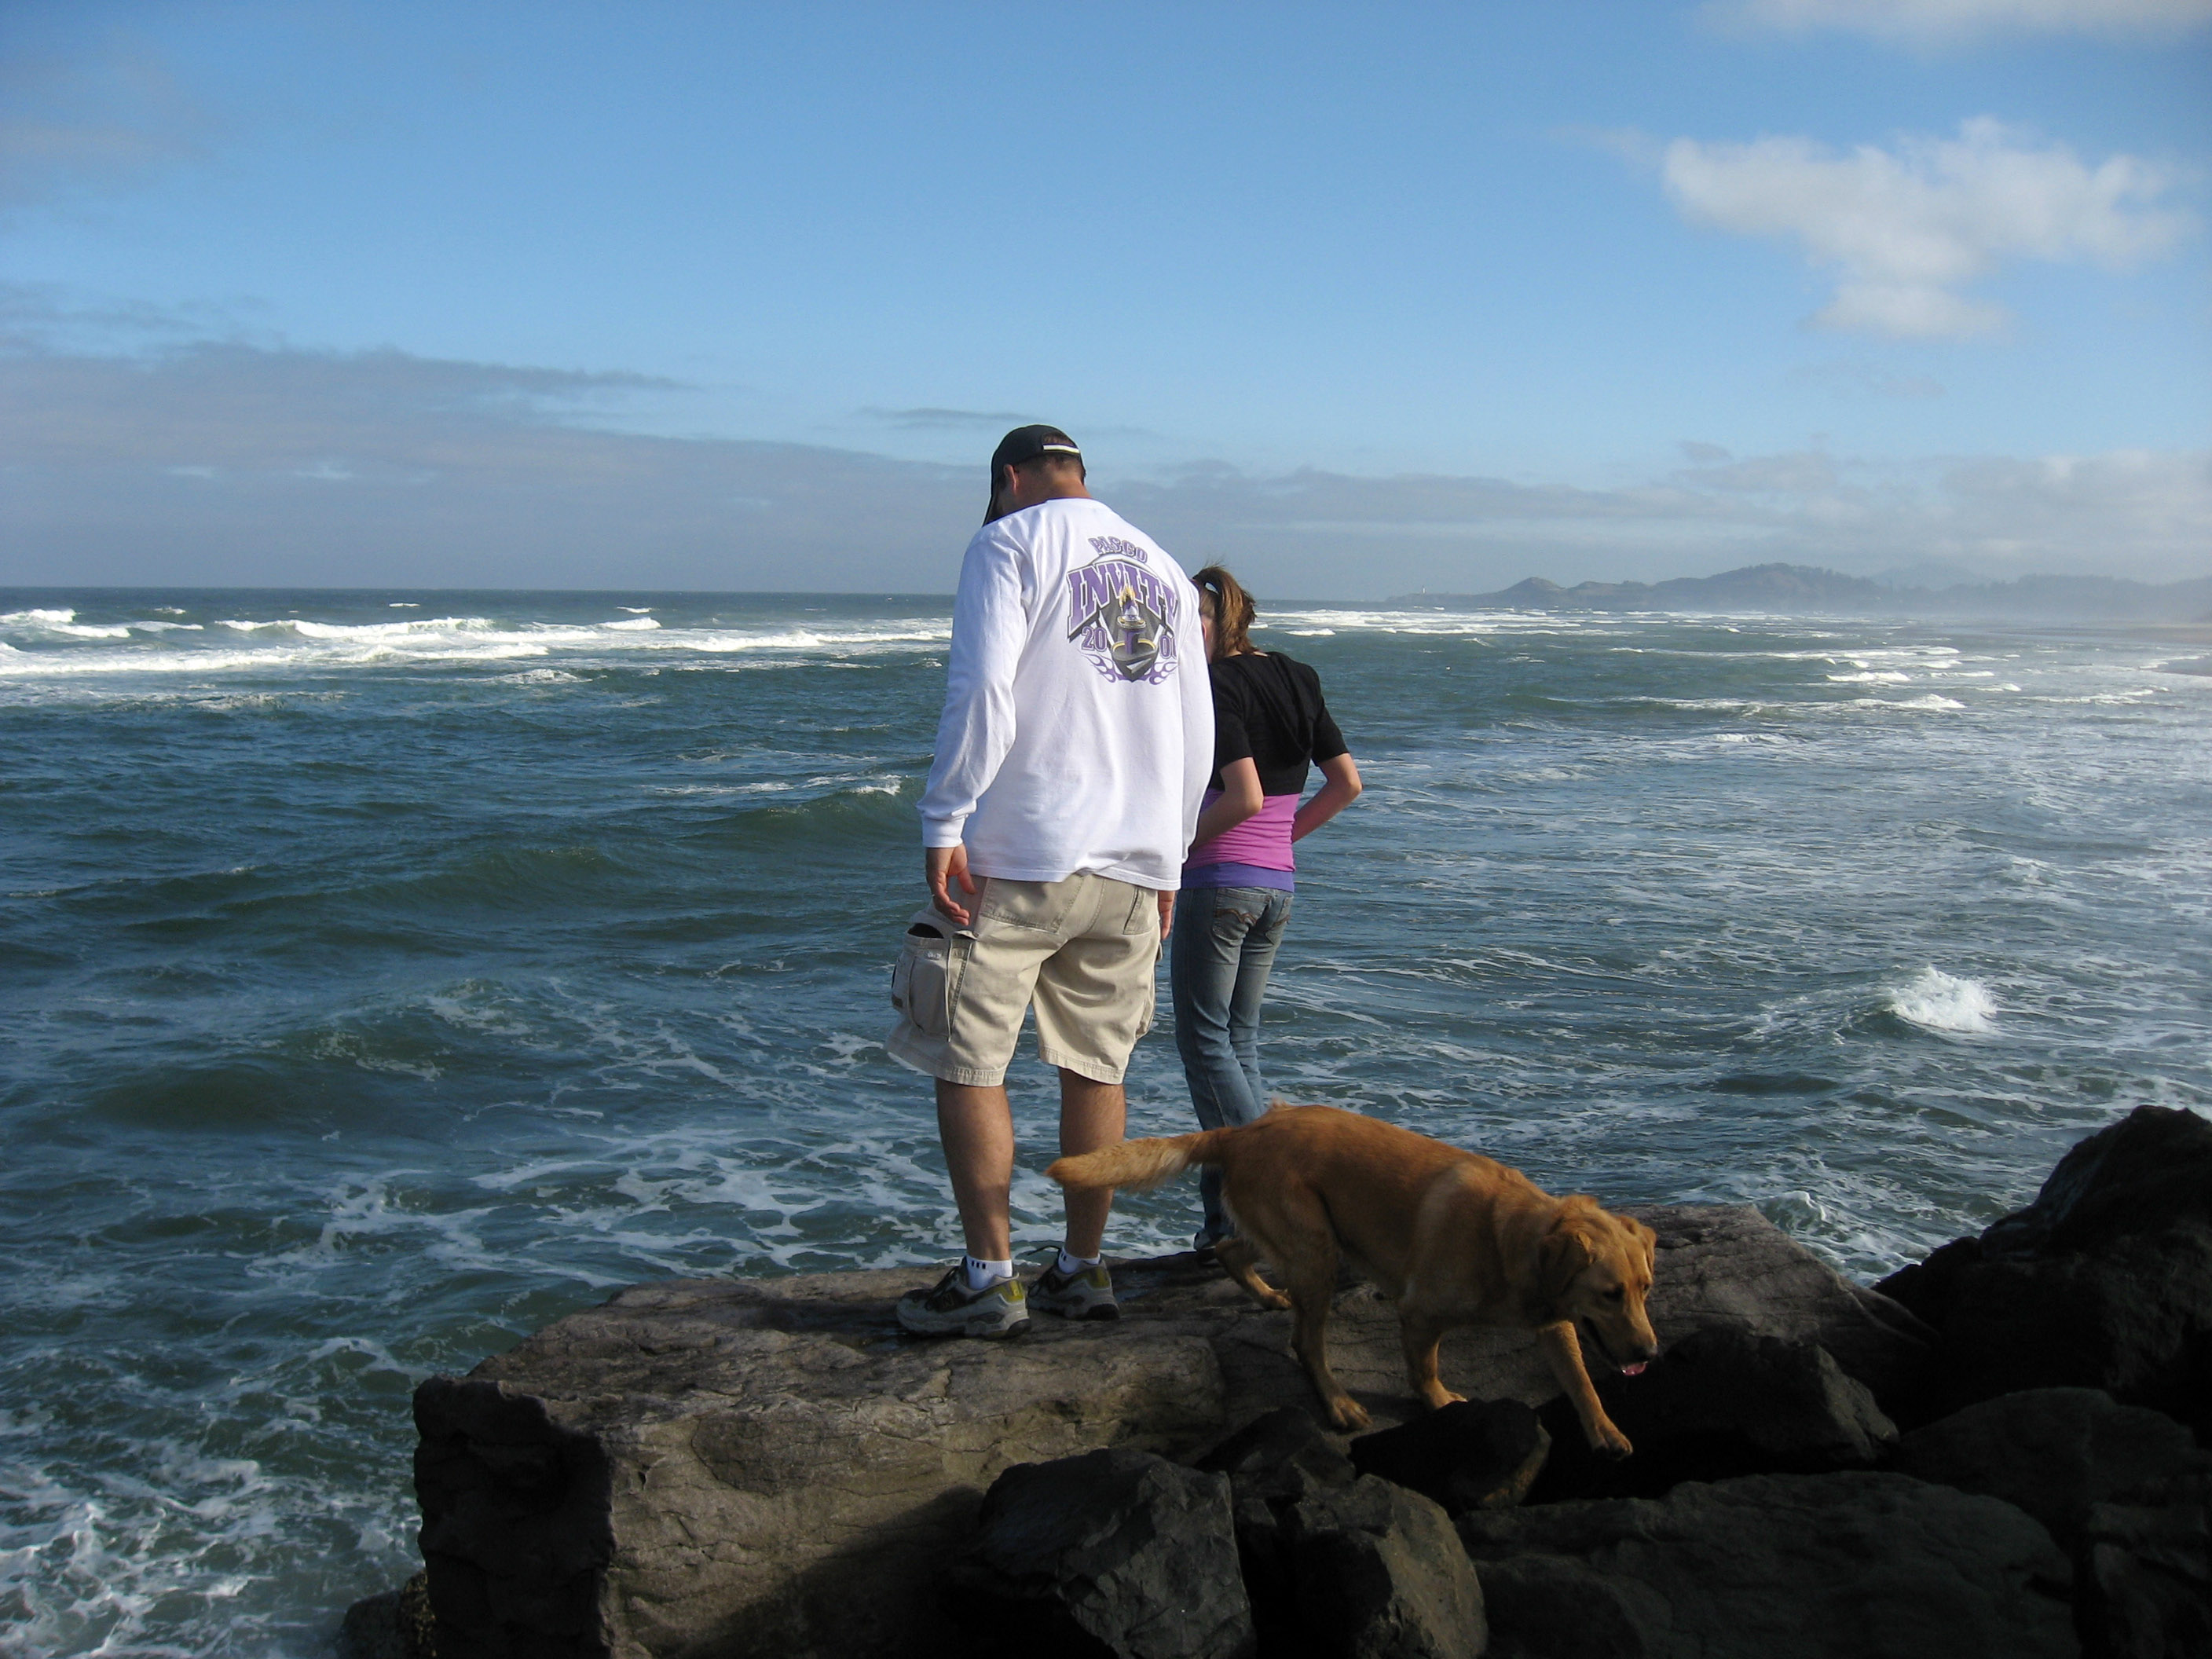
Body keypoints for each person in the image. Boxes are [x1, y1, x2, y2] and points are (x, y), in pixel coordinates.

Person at [887, 425, 1213, 1338]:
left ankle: (990, 1276)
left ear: (1009, 478)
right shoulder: (1163, 565)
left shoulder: (1006, 542)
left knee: (967, 1057)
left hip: (1024, 852)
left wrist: (944, 818)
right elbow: (1198, 730)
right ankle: (1082, 1268)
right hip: (1133, 863)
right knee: (1095, 1064)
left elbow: (982, 691)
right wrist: (1172, 856)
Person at [1172, 566, 1361, 1251]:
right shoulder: (1298, 676)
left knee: (1203, 1041)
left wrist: (1169, 849)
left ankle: (1277, 1200)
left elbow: (1243, 797)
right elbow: (1346, 785)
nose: (1179, 635)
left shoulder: (1218, 685)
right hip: (1277, 886)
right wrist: (1282, 843)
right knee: (1238, 1042)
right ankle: (1228, 1226)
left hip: (1219, 884)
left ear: (1221, 621)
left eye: (1189, 620)